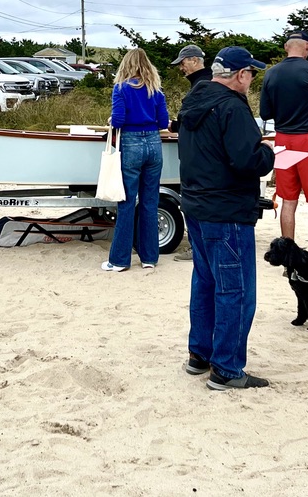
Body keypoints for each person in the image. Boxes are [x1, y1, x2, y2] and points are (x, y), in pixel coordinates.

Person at [178, 46, 276, 390]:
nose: (251, 80)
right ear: (239, 75)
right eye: (250, 73)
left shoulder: (193, 100)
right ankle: (227, 368)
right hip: (227, 210)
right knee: (235, 290)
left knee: (205, 282)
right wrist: (267, 151)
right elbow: (245, 160)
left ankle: (199, 355)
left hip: (197, 205)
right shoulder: (232, 107)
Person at [259, 30, 308, 256]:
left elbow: (264, 112)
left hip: (282, 138)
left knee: (288, 200)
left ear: (286, 47)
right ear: (307, 48)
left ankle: (288, 258)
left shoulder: (271, 73)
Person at [102, 48, 170, 272]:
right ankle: (149, 257)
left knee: (127, 203)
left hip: (131, 143)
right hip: (153, 143)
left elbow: (119, 121)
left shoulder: (120, 88)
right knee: (150, 203)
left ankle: (120, 260)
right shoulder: (156, 90)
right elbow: (163, 122)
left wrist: (113, 118)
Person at [168, 44, 213, 262]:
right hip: (201, 154)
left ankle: (198, 248)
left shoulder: (203, 84)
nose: (181, 68)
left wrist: (178, 123)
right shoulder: (206, 81)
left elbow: (192, 118)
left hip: (198, 157)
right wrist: (176, 125)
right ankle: (199, 247)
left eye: (183, 63)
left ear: (195, 60)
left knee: (194, 204)